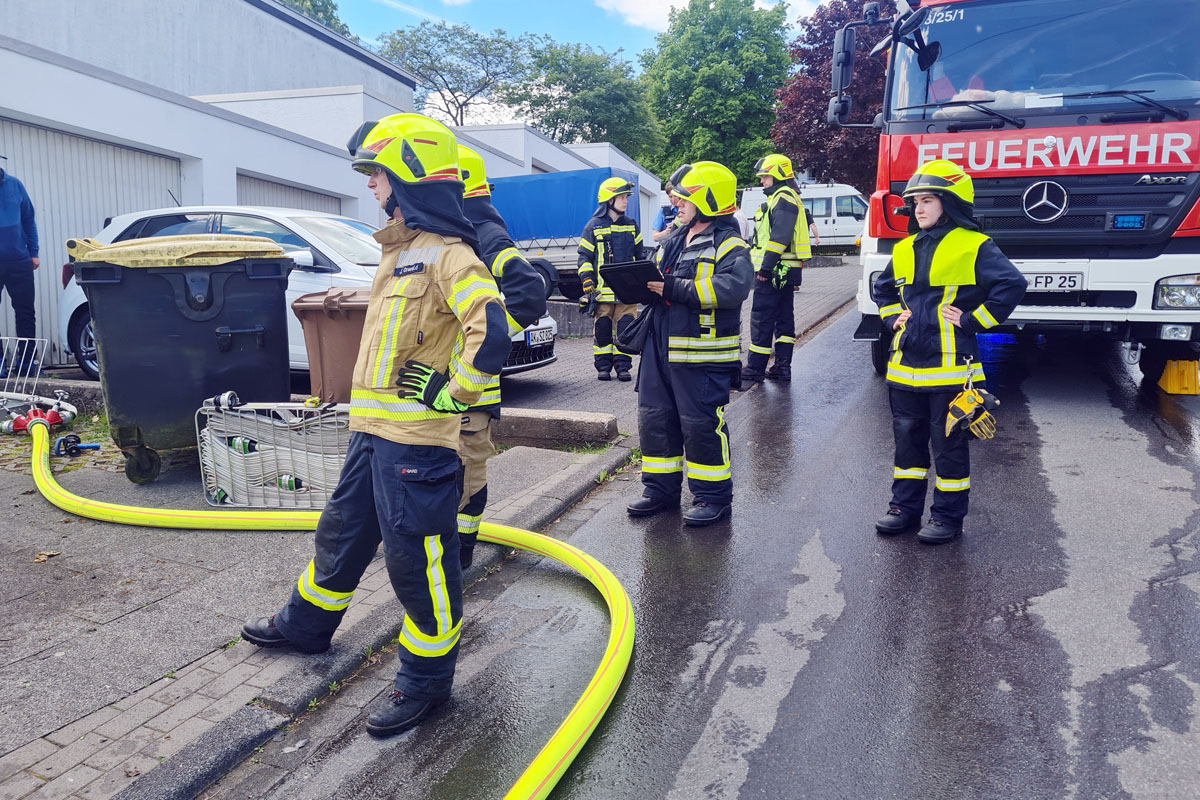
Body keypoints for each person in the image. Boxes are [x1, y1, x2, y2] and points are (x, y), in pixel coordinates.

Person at [242, 113, 513, 737]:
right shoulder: (400, 252)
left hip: (418, 445)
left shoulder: (450, 255)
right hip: (372, 436)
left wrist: (453, 393)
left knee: (419, 568)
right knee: (340, 536)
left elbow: (491, 330)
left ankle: (427, 682)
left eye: (378, 172)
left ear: (410, 178)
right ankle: (306, 627)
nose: (370, 184)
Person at [870, 159, 1026, 544]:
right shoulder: (905, 247)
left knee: (949, 446)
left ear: (951, 203)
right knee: (907, 442)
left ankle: (947, 518)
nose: (918, 208)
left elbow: (1012, 284)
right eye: (915, 202)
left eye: (927, 200)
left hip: (952, 369)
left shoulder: (975, 245)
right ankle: (903, 510)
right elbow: (883, 289)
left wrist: (975, 321)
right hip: (904, 368)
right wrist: (893, 320)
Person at [627, 161, 752, 527]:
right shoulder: (672, 240)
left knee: (700, 426)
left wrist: (674, 289)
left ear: (709, 201)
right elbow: (657, 281)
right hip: (660, 349)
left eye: (685, 198)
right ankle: (660, 491)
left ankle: (713, 497)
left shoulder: (730, 244)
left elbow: (733, 289)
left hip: (701, 355)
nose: (677, 204)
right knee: (656, 420)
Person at [455, 144, 547, 569]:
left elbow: (527, 292)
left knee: (467, 475)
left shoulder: (482, 232)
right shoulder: (457, 228)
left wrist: (486, 339)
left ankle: (462, 552)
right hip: (443, 390)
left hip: (471, 392)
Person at [741, 154, 811, 384]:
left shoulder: (783, 198)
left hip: (773, 271)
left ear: (779, 174)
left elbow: (778, 238)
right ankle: (781, 368)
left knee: (762, 318)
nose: (762, 181)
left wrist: (765, 268)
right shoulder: (788, 197)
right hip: (785, 271)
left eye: (766, 176)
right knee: (783, 319)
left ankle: (755, 369)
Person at [578, 177, 648, 381]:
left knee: (626, 327)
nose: (626, 201)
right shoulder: (593, 226)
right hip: (602, 292)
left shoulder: (631, 226)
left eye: (626, 197)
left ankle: (623, 367)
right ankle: (603, 367)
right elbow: (584, 257)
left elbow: (640, 257)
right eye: (622, 197)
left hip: (627, 292)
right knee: (602, 329)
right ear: (610, 200)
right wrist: (587, 281)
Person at [0, 159, 40, 370]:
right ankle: (0, 364)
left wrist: (33, 252)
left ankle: (27, 363)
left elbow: (28, 219)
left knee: (25, 312)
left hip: (19, 260)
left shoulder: (15, 185)